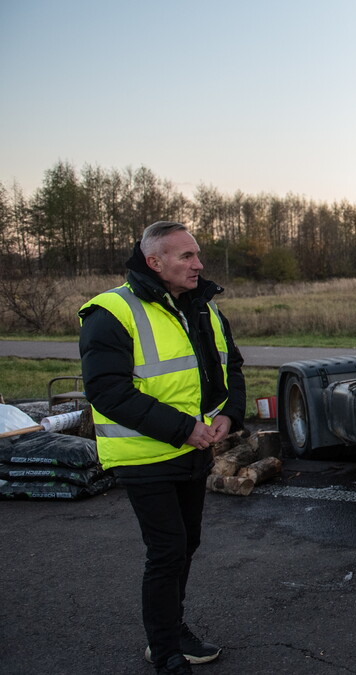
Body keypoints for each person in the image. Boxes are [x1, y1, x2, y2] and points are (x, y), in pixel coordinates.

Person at [79, 221, 245, 674]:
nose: (199, 264)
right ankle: (166, 649)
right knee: (168, 548)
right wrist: (182, 429)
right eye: (187, 257)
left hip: (191, 449)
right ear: (155, 262)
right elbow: (107, 390)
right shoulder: (111, 310)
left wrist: (230, 413)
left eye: (197, 255)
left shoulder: (202, 307)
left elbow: (229, 367)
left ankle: (173, 630)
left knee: (185, 543)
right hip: (144, 455)